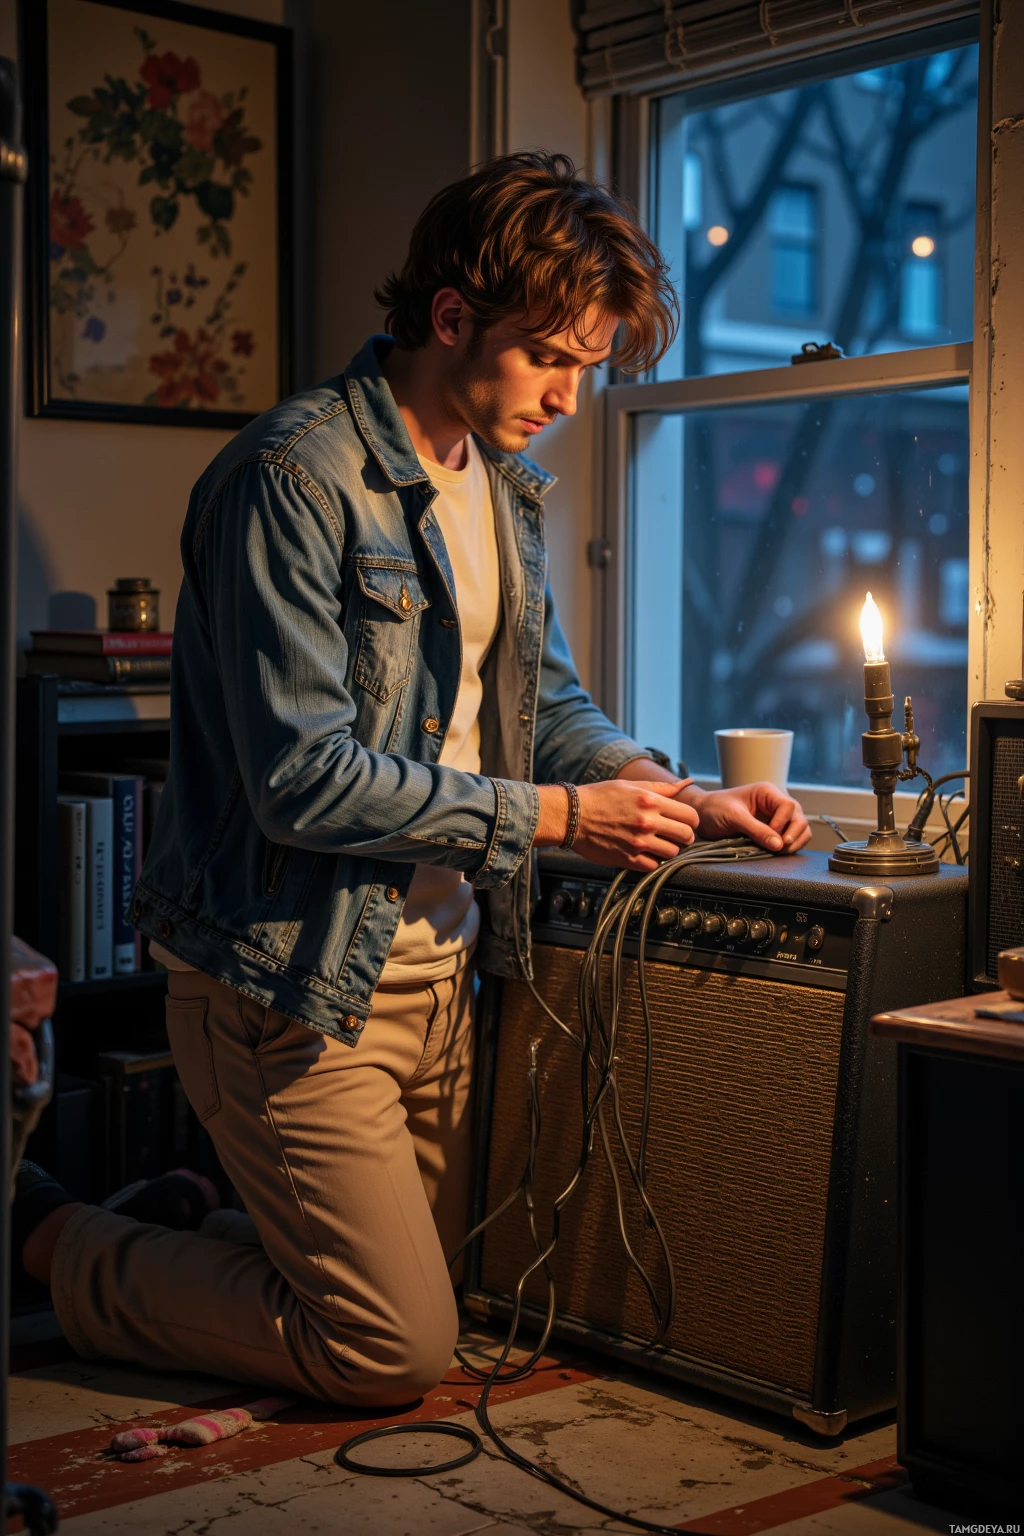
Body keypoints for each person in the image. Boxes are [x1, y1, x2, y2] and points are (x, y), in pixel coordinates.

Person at [14, 153, 810, 1405]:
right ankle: (47, 1231)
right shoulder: (289, 476)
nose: (568, 396)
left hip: (443, 966)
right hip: (288, 979)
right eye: (551, 357)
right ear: (451, 319)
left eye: (587, 370)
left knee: (437, 1291)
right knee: (390, 1352)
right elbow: (301, 778)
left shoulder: (500, 487)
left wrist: (662, 787)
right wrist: (554, 816)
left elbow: (535, 702)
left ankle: (174, 1218)